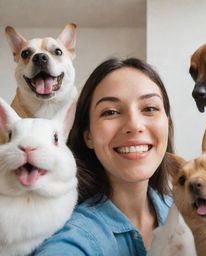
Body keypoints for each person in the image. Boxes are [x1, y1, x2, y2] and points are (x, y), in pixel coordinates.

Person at [33, 57, 174, 256]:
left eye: (150, 108)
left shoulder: (189, 211)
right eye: (111, 112)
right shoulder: (74, 238)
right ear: (88, 135)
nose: (134, 125)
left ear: (167, 124)